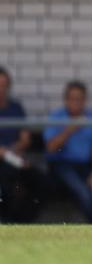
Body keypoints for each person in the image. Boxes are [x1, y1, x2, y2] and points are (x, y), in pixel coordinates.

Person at [44, 81, 92, 223]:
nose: (76, 103)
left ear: (85, 100)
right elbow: (51, 148)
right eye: (72, 99)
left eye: (79, 99)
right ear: (66, 100)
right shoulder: (56, 117)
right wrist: (70, 129)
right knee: (82, 191)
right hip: (61, 165)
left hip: (85, 166)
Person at [0, 67, 43, 222]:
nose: (1, 90)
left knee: (38, 180)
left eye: (4, 85)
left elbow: (26, 139)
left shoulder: (15, 108)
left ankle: (24, 222)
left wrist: (10, 152)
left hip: (14, 158)